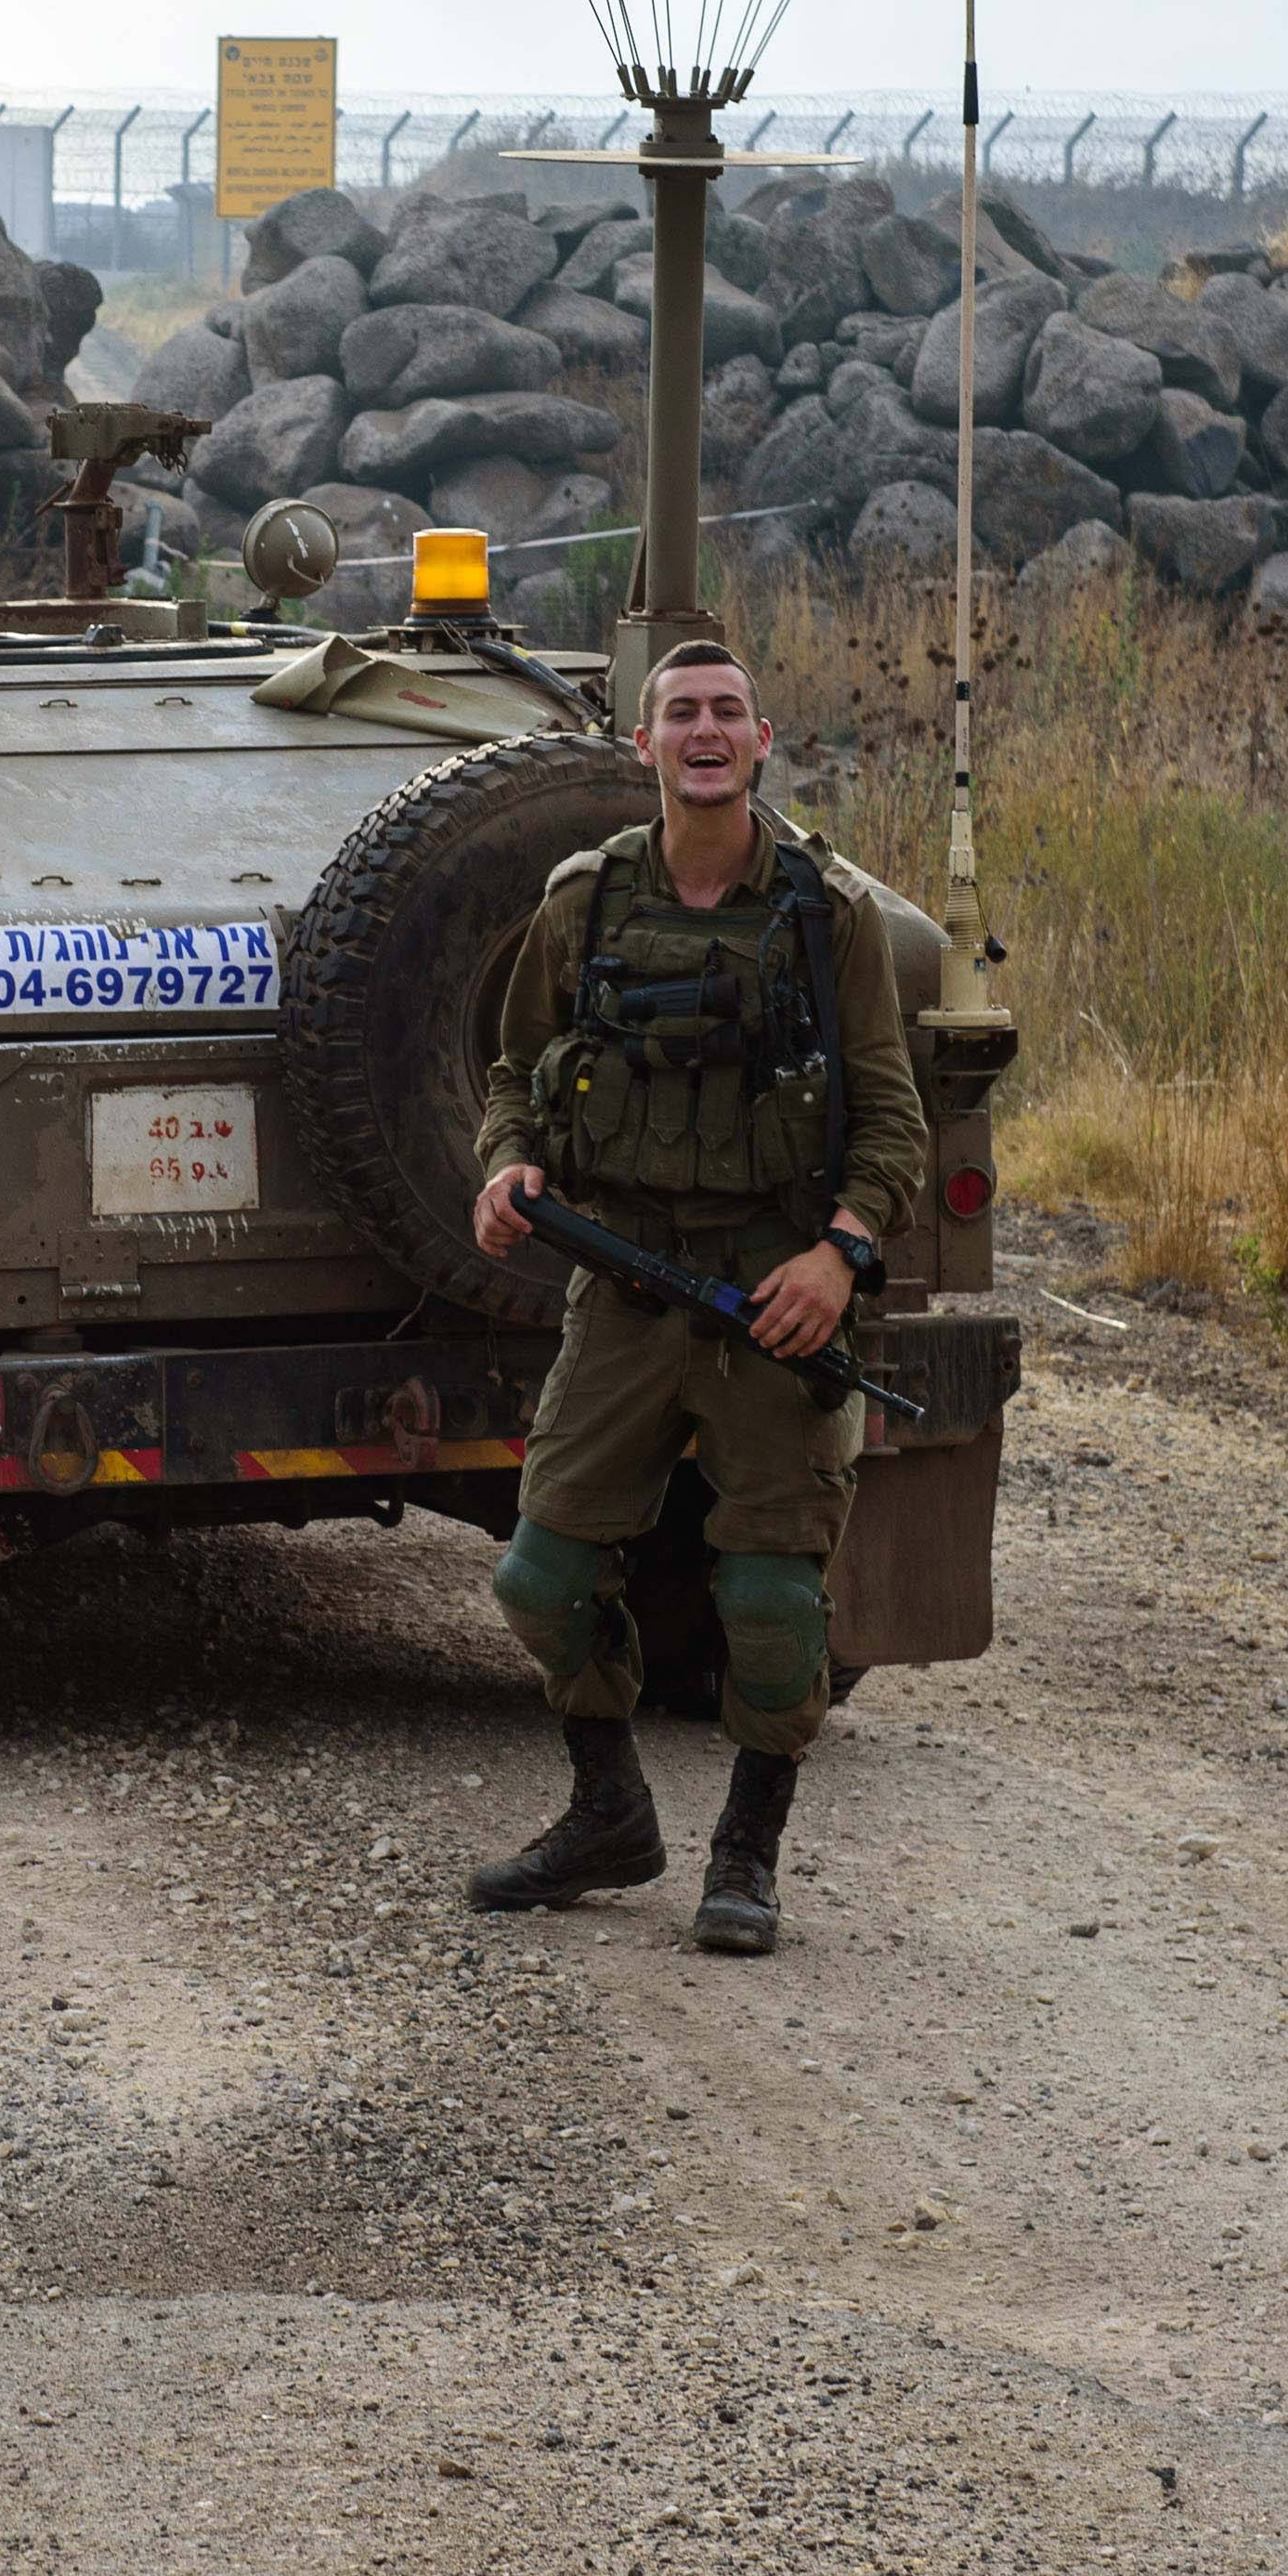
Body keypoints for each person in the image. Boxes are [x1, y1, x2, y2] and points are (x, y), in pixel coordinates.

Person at [460, 640, 924, 1955]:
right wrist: (508, 1168)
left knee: (773, 1603)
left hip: (773, 1289)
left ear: (762, 740)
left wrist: (839, 1256)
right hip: (624, 1278)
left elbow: (889, 1114)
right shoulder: (585, 901)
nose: (705, 731)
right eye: (682, 714)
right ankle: (609, 1810)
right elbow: (516, 1069)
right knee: (540, 1575)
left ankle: (746, 1854)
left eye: (727, 712)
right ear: (646, 745)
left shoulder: (827, 915)